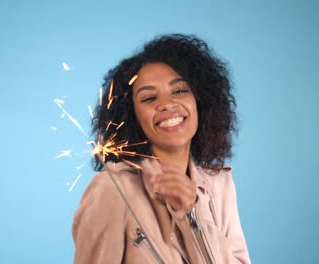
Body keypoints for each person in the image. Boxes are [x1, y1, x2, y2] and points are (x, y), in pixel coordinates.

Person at [72, 34, 251, 263]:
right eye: (148, 98)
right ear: (132, 116)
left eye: (179, 91)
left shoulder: (219, 184)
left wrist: (191, 215)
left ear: (200, 100)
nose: (166, 104)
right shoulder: (114, 188)